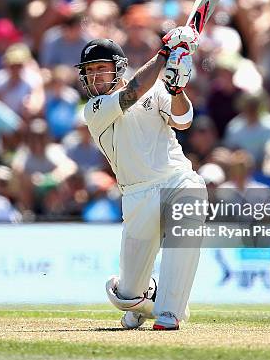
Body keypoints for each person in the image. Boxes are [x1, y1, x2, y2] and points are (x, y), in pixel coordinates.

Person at [76, 28, 206, 330]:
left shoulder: (156, 89)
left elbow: (183, 120)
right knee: (125, 296)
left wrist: (176, 90)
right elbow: (133, 92)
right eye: (89, 71)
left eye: (100, 68)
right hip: (136, 196)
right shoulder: (93, 110)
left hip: (177, 180)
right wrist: (164, 52)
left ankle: (168, 314)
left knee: (187, 222)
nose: (95, 77)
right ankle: (144, 300)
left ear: (118, 66)